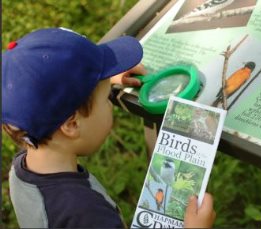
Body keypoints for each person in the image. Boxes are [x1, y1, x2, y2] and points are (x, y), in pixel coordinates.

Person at [2, 28, 216, 228]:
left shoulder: (23, 168)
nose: (110, 103)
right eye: (106, 99)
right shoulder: (87, 215)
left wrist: (103, 82)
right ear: (72, 124)